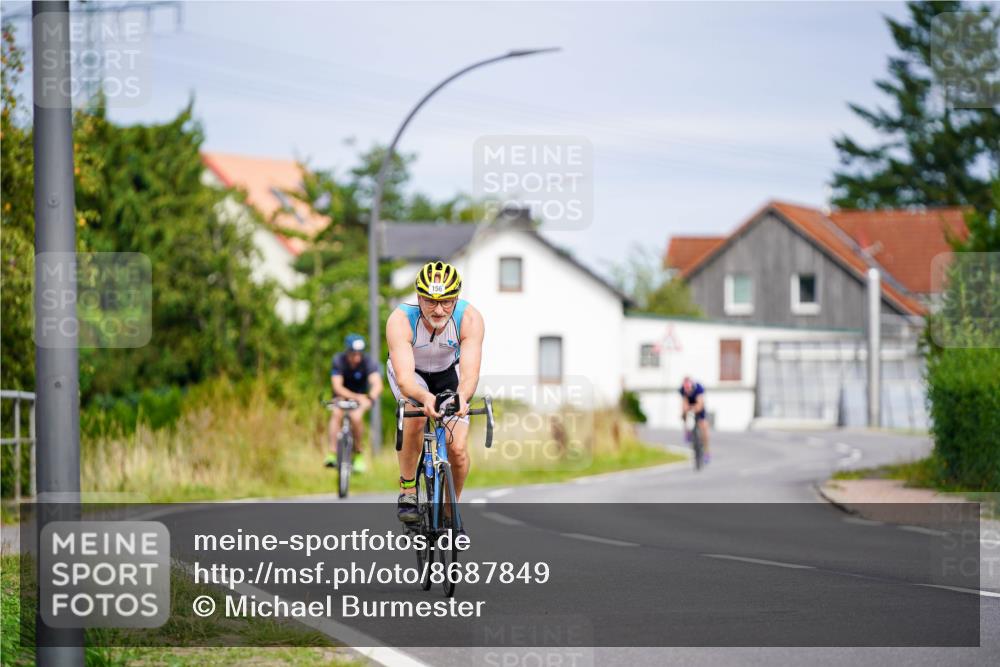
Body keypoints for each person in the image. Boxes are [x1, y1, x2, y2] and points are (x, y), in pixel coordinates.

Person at [385, 261, 485, 524]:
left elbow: (470, 375)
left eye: (446, 301)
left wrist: (461, 397)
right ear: (418, 298)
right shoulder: (400, 320)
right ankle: (408, 489)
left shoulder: (470, 318)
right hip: (411, 373)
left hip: (447, 373)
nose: (439, 310)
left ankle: (452, 509)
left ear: (456, 299)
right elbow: (406, 380)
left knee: (458, 449)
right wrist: (426, 398)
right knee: (416, 418)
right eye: (430, 301)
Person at [327, 334, 383, 473]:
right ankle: (332, 453)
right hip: (342, 397)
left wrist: (370, 397)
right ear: (347, 352)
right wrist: (357, 397)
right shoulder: (338, 360)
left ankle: (358, 453)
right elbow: (337, 387)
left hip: (362, 399)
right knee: (336, 414)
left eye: (359, 354)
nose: (357, 358)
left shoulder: (368, 362)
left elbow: (377, 384)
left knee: (356, 417)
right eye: (353, 354)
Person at [680, 376, 710, 463]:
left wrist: (694, 409)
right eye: (686, 390)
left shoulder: (698, 388)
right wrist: (685, 411)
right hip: (689, 405)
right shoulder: (682, 390)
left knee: (704, 426)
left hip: (698, 406)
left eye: (689, 389)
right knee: (683, 414)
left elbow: (700, 404)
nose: (688, 392)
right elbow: (684, 403)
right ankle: (687, 431)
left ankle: (707, 452)